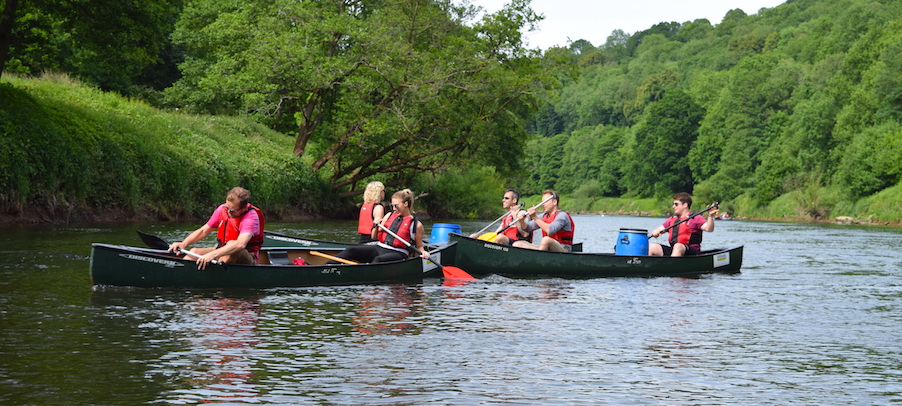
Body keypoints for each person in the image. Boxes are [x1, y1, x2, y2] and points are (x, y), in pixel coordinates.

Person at [169, 187, 265, 269]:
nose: (228, 212)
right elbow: (203, 231)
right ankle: (182, 273)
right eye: (227, 207)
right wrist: (183, 243)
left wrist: (212, 255)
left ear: (243, 208)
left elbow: (240, 244)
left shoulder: (251, 218)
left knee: (231, 247)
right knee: (194, 251)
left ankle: (218, 286)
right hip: (221, 250)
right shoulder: (222, 209)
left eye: (232, 210)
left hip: (245, 257)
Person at [332, 189, 430, 263]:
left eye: (396, 206)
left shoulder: (416, 225)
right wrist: (375, 225)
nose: (394, 208)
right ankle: (327, 267)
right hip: (380, 247)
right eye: (392, 206)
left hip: (398, 253)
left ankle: (370, 281)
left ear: (405, 204)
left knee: (378, 260)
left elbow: (419, 246)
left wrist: (424, 253)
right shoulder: (388, 216)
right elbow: (374, 237)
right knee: (351, 250)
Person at [649, 192, 717, 257]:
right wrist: (656, 232)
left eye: (676, 204)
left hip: (691, 252)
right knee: (652, 246)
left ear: (685, 205)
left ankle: (672, 267)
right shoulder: (672, 219)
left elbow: (709, 229)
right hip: (675, 251)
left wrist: (710, 216)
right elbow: (659, 229)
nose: (673, 206)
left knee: (678, 246)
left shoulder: (696, 218)